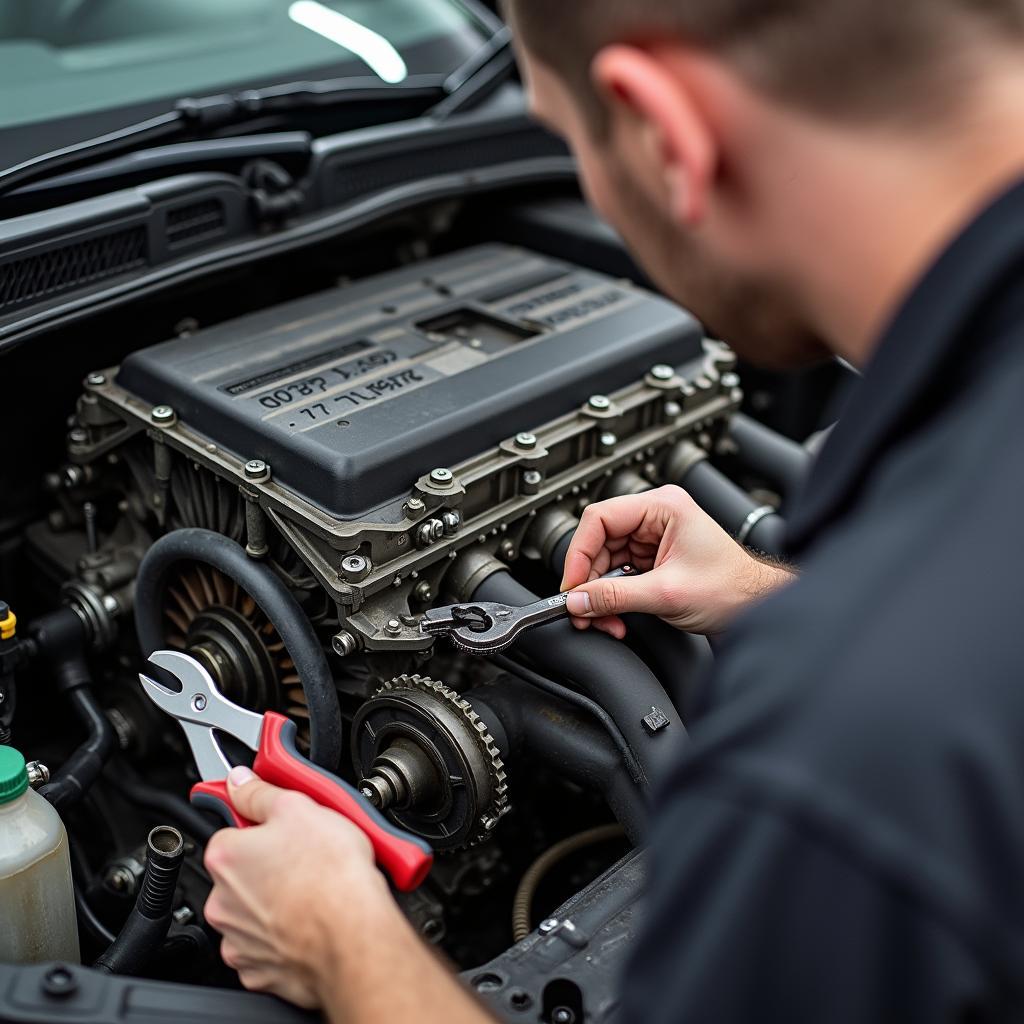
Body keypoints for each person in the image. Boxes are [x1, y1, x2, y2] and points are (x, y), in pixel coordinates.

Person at [200, 0, 1024, 1019]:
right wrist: (772, 595)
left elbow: (902, 709)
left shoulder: (848, 749)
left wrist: (340, 942)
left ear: (658, 130)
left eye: (564, 135)